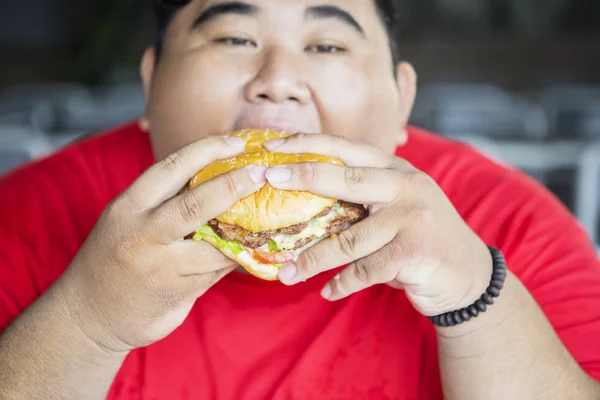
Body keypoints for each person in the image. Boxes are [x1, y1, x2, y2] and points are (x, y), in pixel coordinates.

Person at [1, 1, 599, 399]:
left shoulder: (509, 222)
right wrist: (86, 323)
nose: (278, 78)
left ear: (403, 97)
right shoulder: (30, 213)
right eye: (234, 37)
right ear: (151, 82)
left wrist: (474, 296)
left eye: (329, 46)